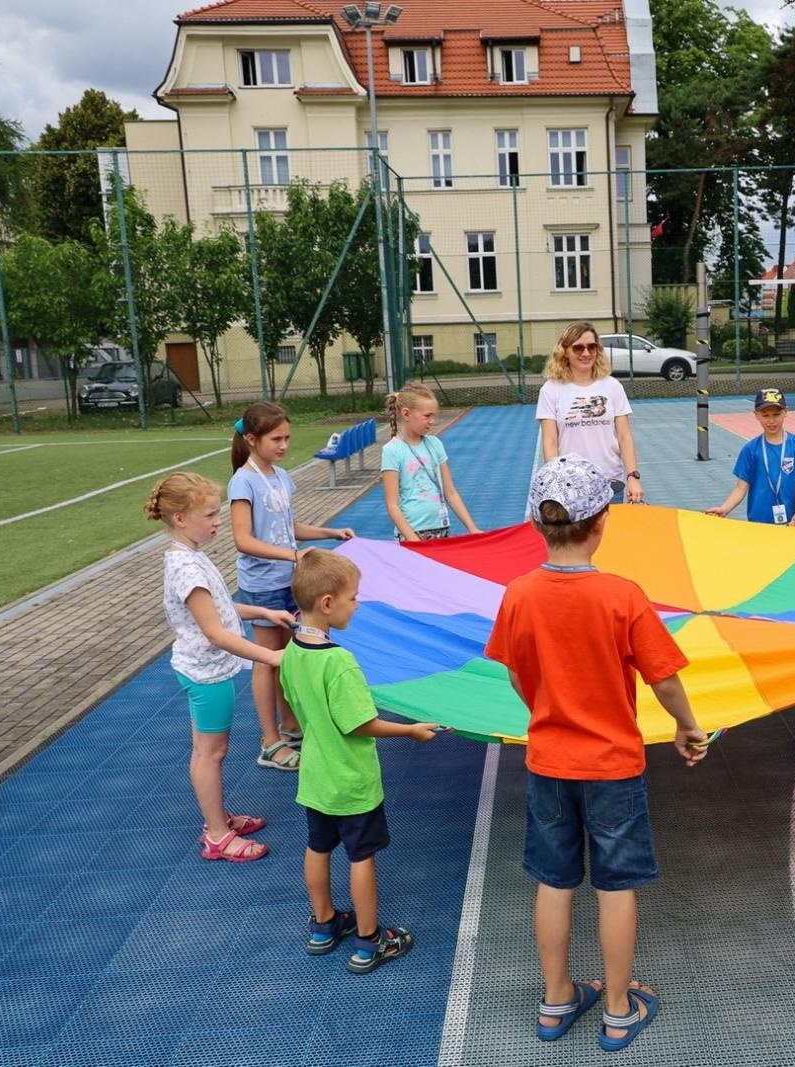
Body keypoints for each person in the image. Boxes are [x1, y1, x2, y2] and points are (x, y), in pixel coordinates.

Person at [484, 454, 708, 1052]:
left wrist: (542, 707)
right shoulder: (622, 596)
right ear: (602, 521)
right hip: (611, 766)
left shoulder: (519, 594)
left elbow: (513, 672)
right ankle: (616, 1007)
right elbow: (663, 678)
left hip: (548, 762)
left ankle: (556, 998)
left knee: (554, 882)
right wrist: (687, 725)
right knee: (615, 886)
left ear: (536, 523)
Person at [279, 549, 440, 974]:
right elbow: (359, 724)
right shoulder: (339, 662)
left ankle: (325, 923)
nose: (358, 604)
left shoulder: (292, 651)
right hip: (351, 781)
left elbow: (296, 705)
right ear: (328, 603)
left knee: (317, 847)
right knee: (360, 855)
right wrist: (409, 730)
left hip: (316, 777)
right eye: (354, 597)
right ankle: (370, 940)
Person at [144, 472, 292, 862]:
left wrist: (260, 610)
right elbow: (215, 632)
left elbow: (221, 609)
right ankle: (217, 834)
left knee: (204, 750)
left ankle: (216, 818)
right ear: (180, 518)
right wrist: (271, 656)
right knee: (211, 753)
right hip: (206, 673)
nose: (218, 520)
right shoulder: (187, 569)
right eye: (210, 514)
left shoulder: (191, 555)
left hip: (203, 668)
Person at [228, 401, 354, 772]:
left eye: (287, 438)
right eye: (276, 439)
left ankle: (291, 725)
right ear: (252, 440)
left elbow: (289, 526)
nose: (283, 445)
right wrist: (292, 556)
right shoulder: (243, 480)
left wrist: (330, 532)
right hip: (264, 584)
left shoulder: (280, 476)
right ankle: (270, 742)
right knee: (267, 662)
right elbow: (243, 539)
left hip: (288, 580)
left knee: (290, 659)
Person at [536, 322, 645, 503]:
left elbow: (624, 437)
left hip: (609, 483)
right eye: (578, 348)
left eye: (591, 347)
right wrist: (557, 480)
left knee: (610, 532)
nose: (586, 353)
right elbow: (550, 441)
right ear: (565, 351)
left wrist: (632, 477)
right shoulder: (551, 390)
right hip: (571, 486)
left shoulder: (612, 386)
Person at [381, 382, 483, 541]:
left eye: (434, 415)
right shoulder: (392, 450)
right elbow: (392, 504)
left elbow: (451, 492)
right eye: (427, 416)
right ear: (406, 414)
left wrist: (472, 528)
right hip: (413, 533)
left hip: (441, 529)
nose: (432, 421)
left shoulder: (435, 444)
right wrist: (412, 538)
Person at [705, 388, 795, 527]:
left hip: (792, 521)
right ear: (756, 415)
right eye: (765, 415)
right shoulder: (750, 449)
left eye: (776, 414)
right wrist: (725, 508)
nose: (771, 421)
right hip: (758, 523)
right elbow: (741, 487)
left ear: (786, 412)